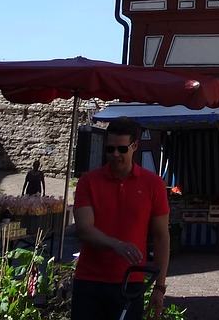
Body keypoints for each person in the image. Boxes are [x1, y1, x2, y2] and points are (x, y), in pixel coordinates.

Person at [72, 118, 169, 320]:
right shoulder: (88, 181)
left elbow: (161, 237)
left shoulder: (153, 184)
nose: (115, 154)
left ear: (135, 147)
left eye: (122, 149)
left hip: (130, 281)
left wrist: (159, 287)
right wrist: (115, 244)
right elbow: (83, 228)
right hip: (90, 280)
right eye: (110, 149)